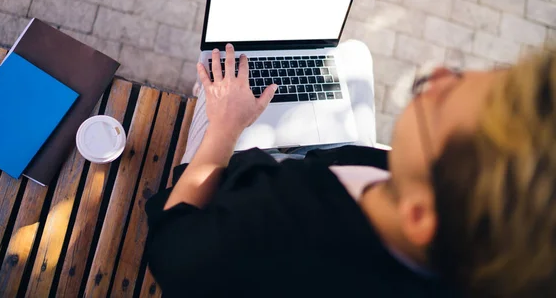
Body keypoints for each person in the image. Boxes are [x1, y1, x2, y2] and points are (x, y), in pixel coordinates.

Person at [144, 42, 556, 298]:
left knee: (213, 65)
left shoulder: (268, 233)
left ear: (419, 215)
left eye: (435, 98)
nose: (437, 73)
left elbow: (171, 243)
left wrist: (227, 125)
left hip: (221, 190)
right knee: (353, 52)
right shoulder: (463, 239)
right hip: (325, 166)